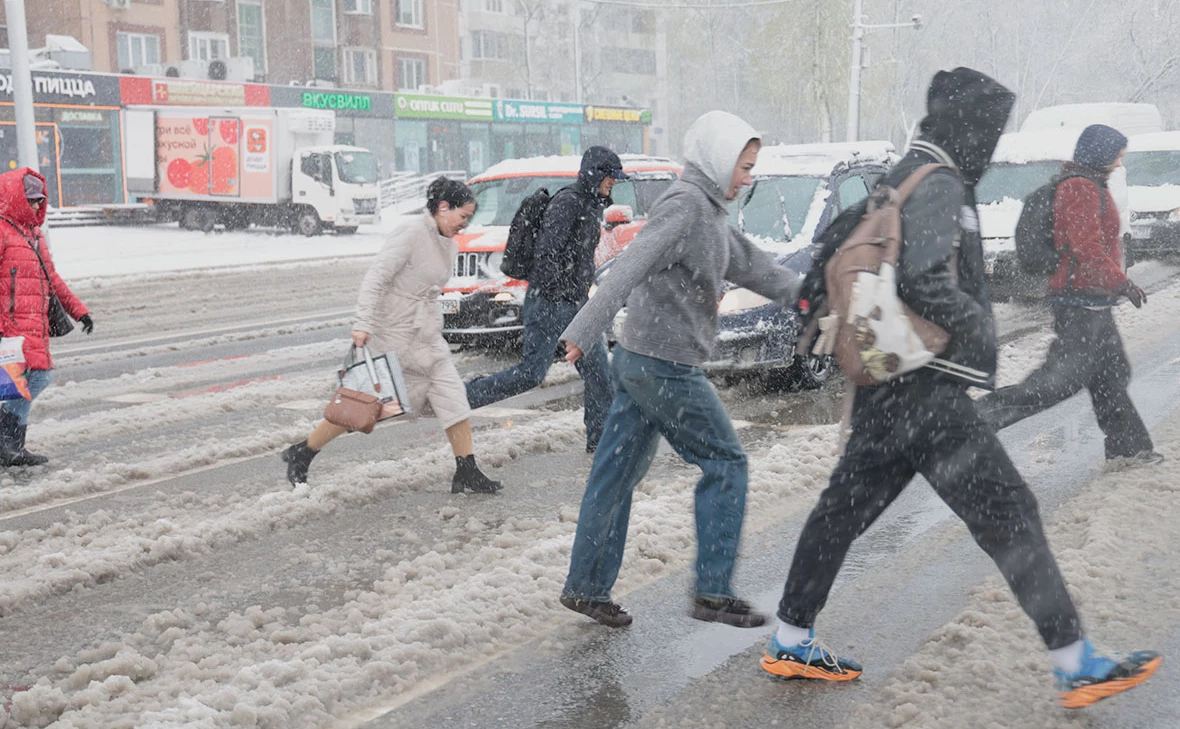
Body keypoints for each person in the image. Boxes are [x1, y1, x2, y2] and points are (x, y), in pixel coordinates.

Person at [763, 69, 1161, 710]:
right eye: (991, 128)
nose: (992, 142)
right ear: (971, 126)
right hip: (929, 395)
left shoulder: (902, 172)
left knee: (841, 513)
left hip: (886, 387)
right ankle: (1076, 663)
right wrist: (979, 330)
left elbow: (838, 258)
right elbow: (923, 278)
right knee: (1010, 514)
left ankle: (790, 637)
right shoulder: (941, 181)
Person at [556, 111, 801, 629]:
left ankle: (586, 588)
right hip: (663, 366)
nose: (748, 178)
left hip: (641, 362)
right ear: (719, 160)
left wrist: (813, 295)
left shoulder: (708, 213)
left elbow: (754, 266)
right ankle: (712, 591)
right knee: (727, 462)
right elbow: (631, 264)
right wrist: (582, 330)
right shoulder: (686, 207)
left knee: (614, 477)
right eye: (744, 167)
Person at [281, 178, 502, 494]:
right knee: (363, 408)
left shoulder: (449, 245)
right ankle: (303, 452)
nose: (465, 224)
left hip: (427, 338)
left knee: (454, 399)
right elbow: (376, 278)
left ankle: (467, 470)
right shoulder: (411, 233)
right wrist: (363, 323)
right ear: (443, 207)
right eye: (462, 216)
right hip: (395, 337)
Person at [976, 124, 1162, 468]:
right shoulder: (1080, 187)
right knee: (1057, 382)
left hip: (1092, 301)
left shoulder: (1091, 183)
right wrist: (1121, 282)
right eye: (1116, 156)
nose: (1119, 163)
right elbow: (1086, 247)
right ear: (1100, 153)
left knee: (1110, 376)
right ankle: (970, 421)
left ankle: (1129, 449)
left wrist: (1114, 284)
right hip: (1078, 301)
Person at [464, 146, 622, 453]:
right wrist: (562, 291)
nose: (614, 182)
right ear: (596, 174)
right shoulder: (568, 202)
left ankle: (602, 441)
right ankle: (462, 397)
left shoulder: (590, 204)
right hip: (550, 302)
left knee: (599, 373)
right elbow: (547, 255)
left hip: (575, 303)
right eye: (611, 176)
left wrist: (578, 293)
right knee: (531, 374)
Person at [0, 170, 92, 467]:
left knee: (32, 378)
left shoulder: (35, 235)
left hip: (34, 324)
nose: (38, 205)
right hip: (10, 326)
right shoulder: (2, 230)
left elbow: (52, 280)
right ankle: (8, 442)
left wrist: (79, 310)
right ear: (16, 198)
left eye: (40, 200)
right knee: (30, 378)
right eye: (31, 200)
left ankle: (12, 445)